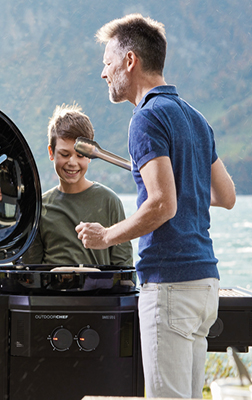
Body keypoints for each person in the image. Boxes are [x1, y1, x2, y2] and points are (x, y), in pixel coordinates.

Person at [75, 14, 236, 398]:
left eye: (107, 62)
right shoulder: (195, 118)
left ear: (130, 61)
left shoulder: (146, 118)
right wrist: (182, 181)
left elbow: (163, 204)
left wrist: (105, 236)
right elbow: (226, 195)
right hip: (204, 284)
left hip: (170, 284)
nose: (104, 73)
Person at [22, 103, 132, 267]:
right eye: (64, 154)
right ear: (51, 153)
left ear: (91, 156)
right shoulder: (39, 207)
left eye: (80, 155)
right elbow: (31, 269)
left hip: (99, 292)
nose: (72, 163)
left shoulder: (109, 201)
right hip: (53, 293)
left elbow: (124, 266)